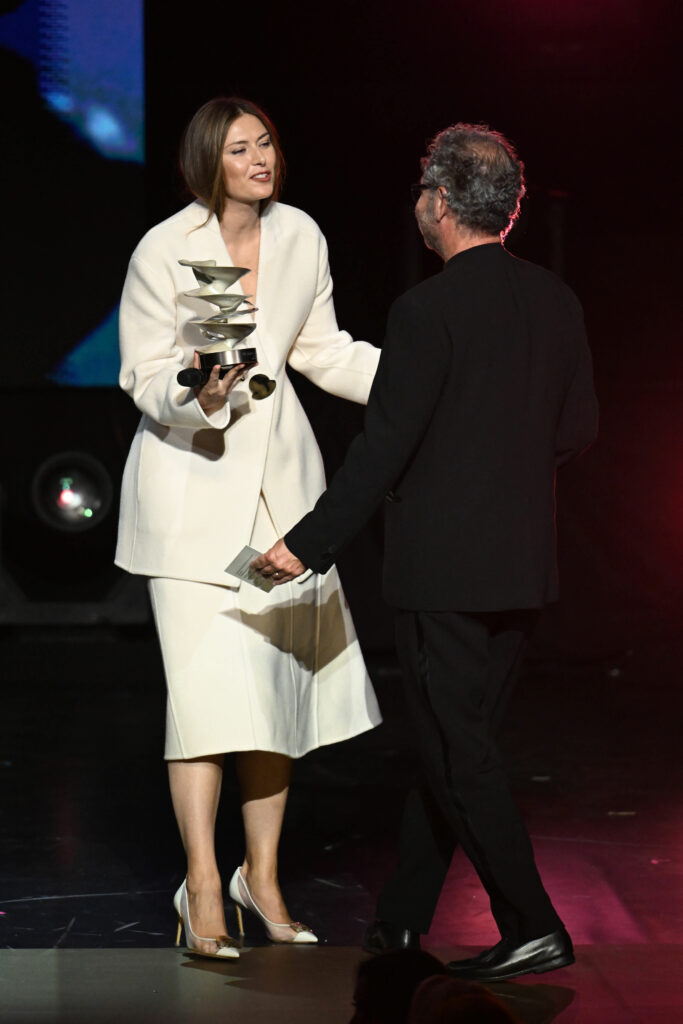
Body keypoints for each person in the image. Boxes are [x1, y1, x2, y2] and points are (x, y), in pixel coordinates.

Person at [253, 123, 599, 980]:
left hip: (444, 569)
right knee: (455, 747)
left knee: (457, 752)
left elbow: (382, 450)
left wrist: (307, 543)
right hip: (521, 566)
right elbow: (577, 429)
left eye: (420, 191)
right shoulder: (555, 300)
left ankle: (532, 924)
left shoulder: (424, 311)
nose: (417, 204)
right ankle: (402, 919)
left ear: (441, 203)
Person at [115, 96, 382, 959]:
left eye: (265, 142)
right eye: (239, 149)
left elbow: (322, 348)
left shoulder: (299, 234)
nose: (260, 159)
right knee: (202, 703)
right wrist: (198, 392)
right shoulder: (168, 247)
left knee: (272, 700)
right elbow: (142, 374)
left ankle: (258, 879)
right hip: (191, 495)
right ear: (208, 163)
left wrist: (417, 378)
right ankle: (200, 884)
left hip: (280, 496)